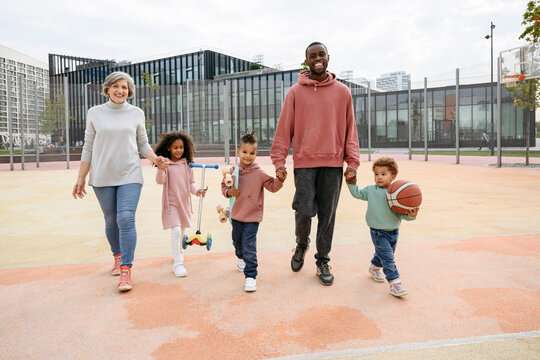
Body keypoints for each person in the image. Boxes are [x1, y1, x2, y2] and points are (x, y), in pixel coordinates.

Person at [270, 41, 360, 286]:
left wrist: (352, 163)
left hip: (333, 163)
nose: (317, 58)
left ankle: (323, 259)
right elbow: (283, 130)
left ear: (328, 58)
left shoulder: (343, 92)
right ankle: (301, 243)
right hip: (304, 163)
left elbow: (351, 130)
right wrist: (279, 161)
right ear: (306, 61)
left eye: (321, 54)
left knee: (327, 215)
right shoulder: (295, 92)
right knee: (303, 210)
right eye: (312, 56)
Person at [72, 71, 168, 292]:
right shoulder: (94, 113)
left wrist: (156, 159)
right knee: (111, 220)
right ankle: (117, 255)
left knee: (126, 219)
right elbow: (88, 146)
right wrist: (80, 177)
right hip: (102, 175)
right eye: (115, 86)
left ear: (129, 90)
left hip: (130, 174)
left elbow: (143, 144)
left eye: (124, 87)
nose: (120, 90)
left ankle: (126, 269)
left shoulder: (136, 113)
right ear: (107, 89)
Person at [221, 132, 286, 292]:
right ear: (238, 152)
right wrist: (229, 192)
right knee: (237, 242)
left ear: (256, 154)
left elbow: (272, 187)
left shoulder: (259, 172)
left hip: (252, 217)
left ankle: (251, 276)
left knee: (249, 245)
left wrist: (280, 179)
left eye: (251, 153)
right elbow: (223, 186)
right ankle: (240, 256)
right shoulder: (233, 171)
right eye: (244, 152)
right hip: (236, 215)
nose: (248, 156)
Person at [346, 157, 418, 297]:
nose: (379, 177)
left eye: (383, 174)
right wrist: (351, 182)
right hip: (377, 231)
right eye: (376, 174)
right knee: (388, 258)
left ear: (393, 176)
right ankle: (395, 283)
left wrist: (411, 215)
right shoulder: (371, 190)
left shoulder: (396, 194)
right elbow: (357, 193)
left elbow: (401, 215)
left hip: (393, 231)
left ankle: (374, 267)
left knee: (383, 255)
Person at [154, 130, 206, 277]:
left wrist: (198, 192)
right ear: (169, 148)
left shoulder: (187, 165)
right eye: (175, 147)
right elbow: (160, 181)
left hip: (184, 204)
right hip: (171, 205)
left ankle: (179, 253)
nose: (179, 150)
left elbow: (191, 185)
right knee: (176, 231)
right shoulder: (166, 164)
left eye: (181, 147)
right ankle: (178, 263)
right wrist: (160, 168)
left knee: (181, 231)